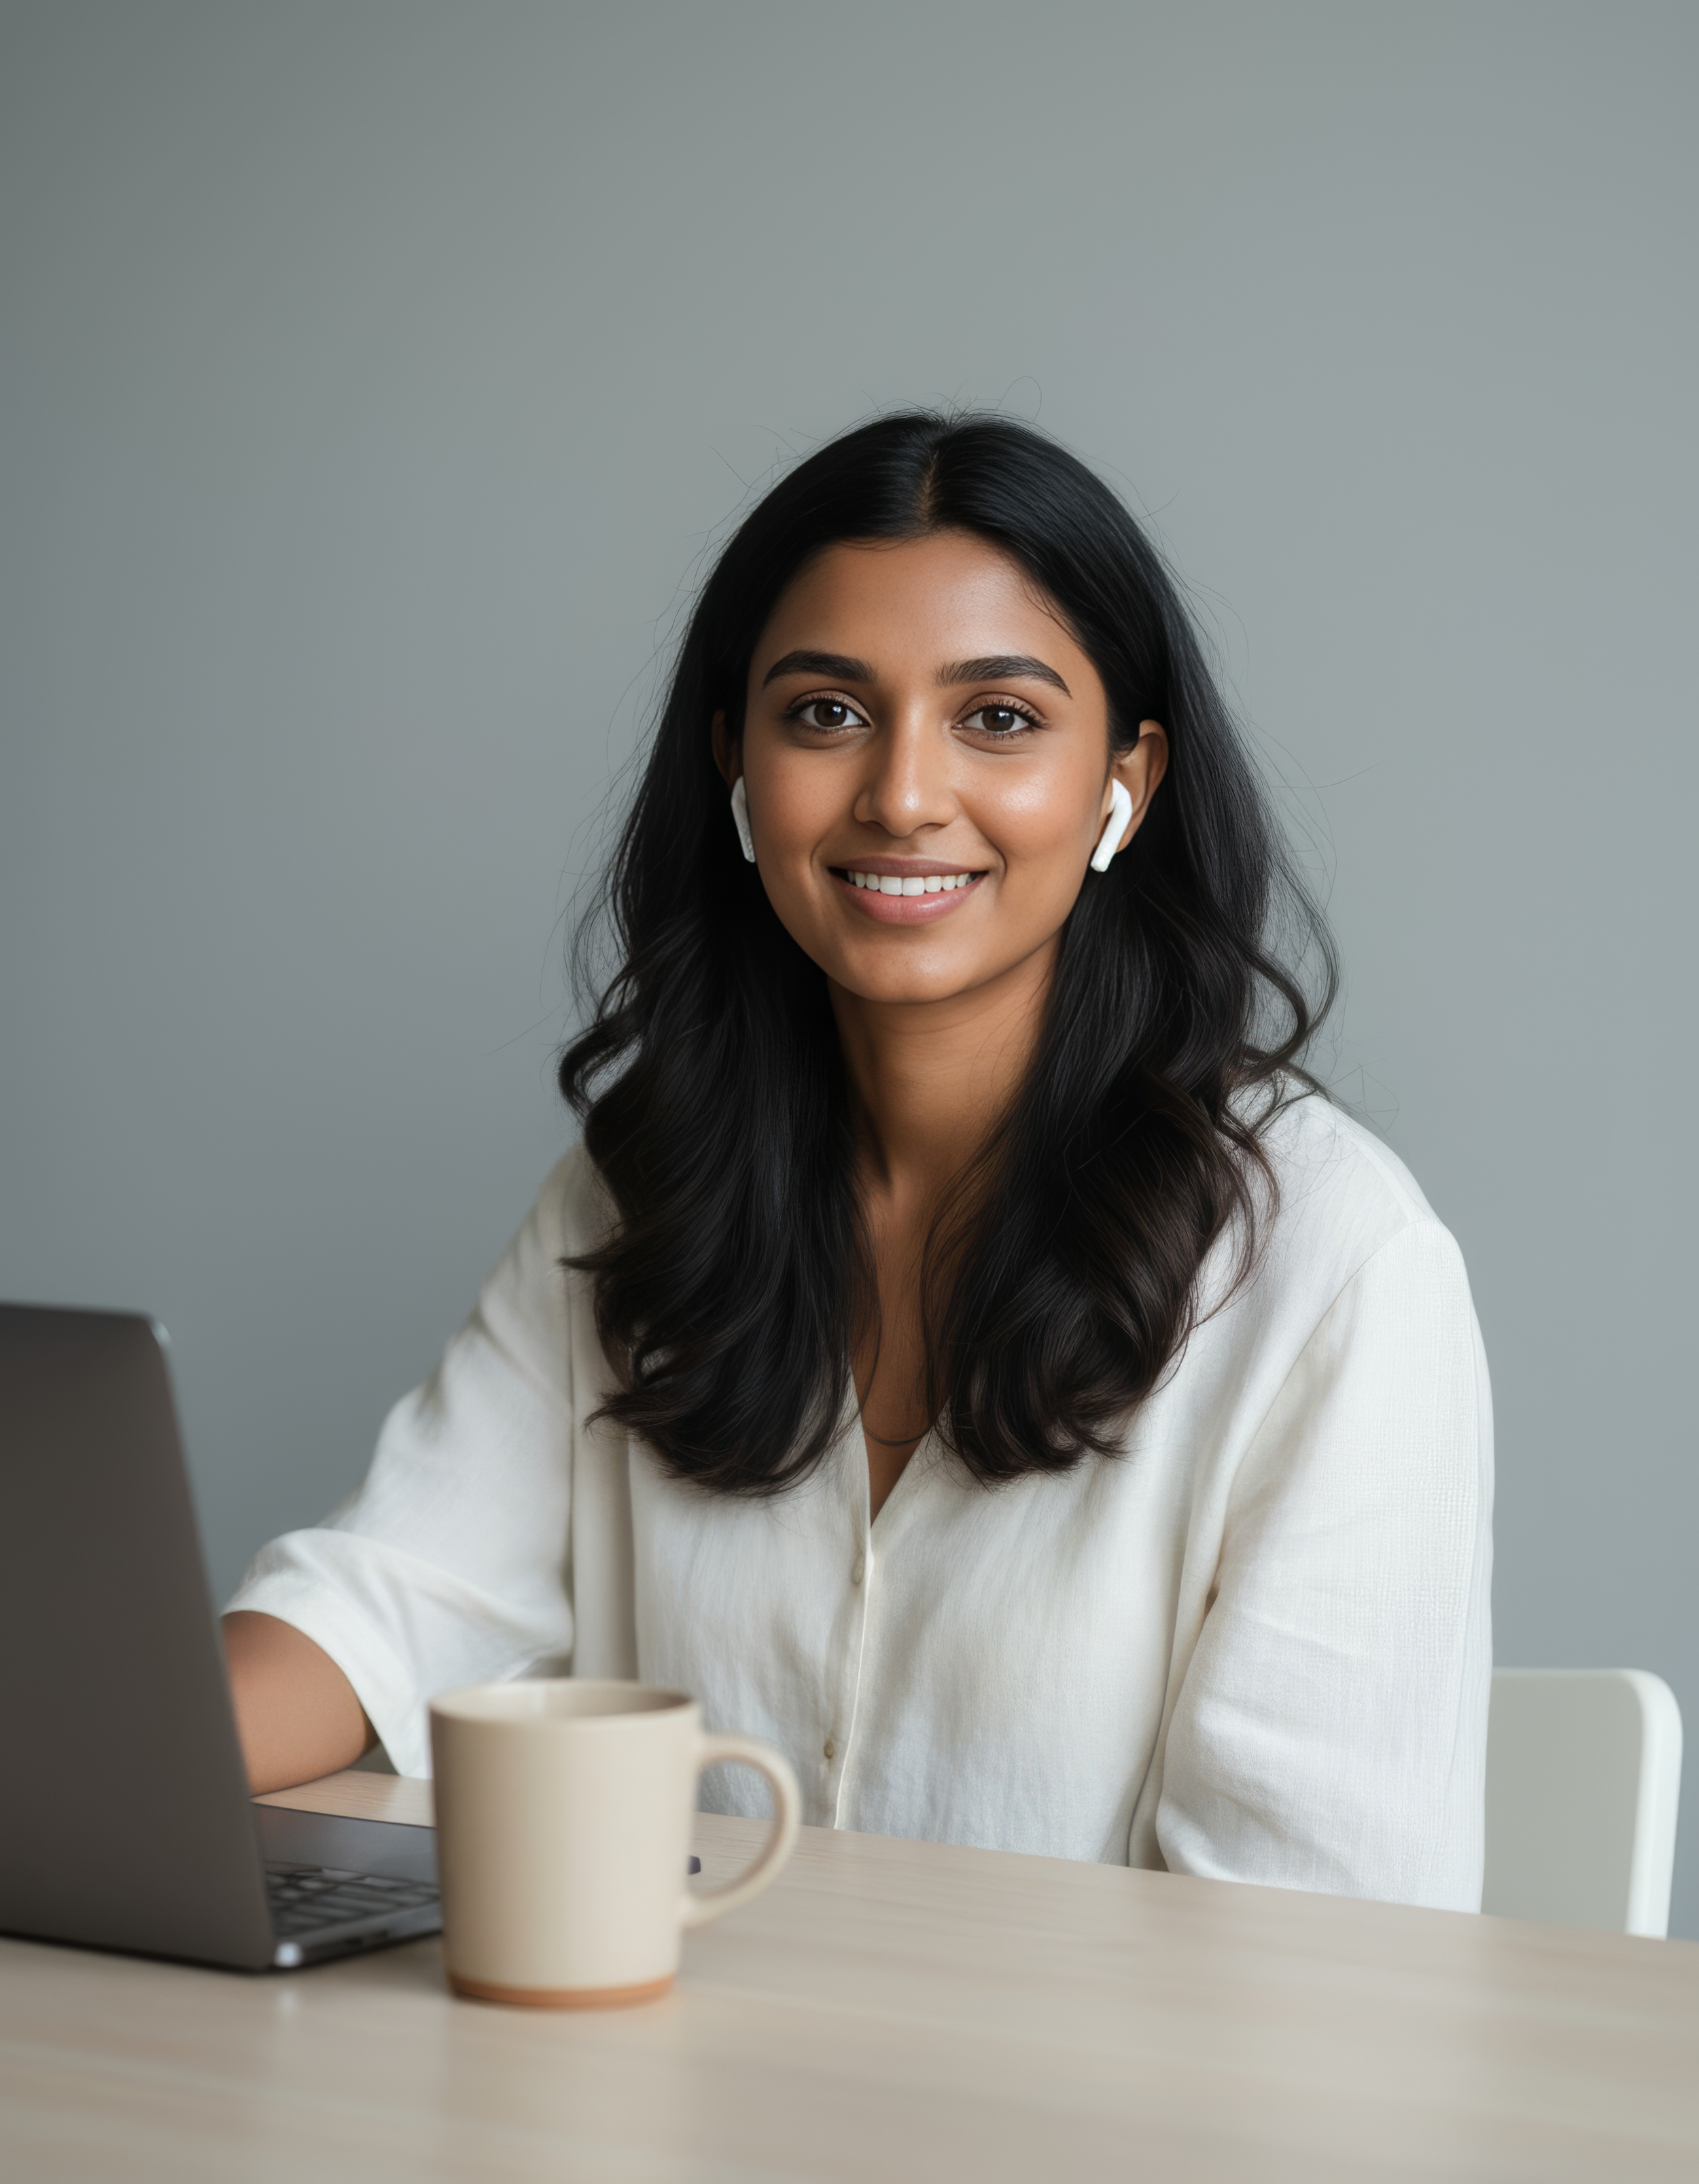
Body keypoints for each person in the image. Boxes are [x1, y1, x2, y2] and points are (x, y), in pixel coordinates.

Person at [224, 412, 1492, 1909]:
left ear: (1124, 785)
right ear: (737, 766)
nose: (900, 792)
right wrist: (103, 1749)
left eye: (999, 718)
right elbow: (382, 1607)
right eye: (824, 713)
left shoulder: (1333, 1265)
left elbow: (1317, 1958)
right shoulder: (646, 1188)